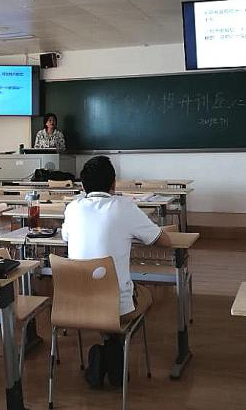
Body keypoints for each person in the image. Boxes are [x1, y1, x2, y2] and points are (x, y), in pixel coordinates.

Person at [61, 155, 171, 388]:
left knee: (102, 286)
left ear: (82, 186)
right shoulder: (124, 207)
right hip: (115, 307)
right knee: (146, 295)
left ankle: (106, 351)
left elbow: (66, 237)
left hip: (74, 305)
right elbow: (163, 240)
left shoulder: (72, 208)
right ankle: (113, 350)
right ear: (113, 184)